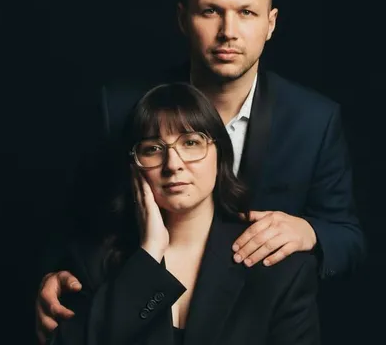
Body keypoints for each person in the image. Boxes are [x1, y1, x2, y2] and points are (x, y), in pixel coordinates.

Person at [36, 0, 365, 343]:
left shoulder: (313, 120)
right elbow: (76, 223)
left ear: (270, 23)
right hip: (139, 319)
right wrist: (54, 274)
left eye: (246, 12)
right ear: (183, 19)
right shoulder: (122, 109)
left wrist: (310, 231)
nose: (228, 31)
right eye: (211, 11)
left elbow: (348, 237)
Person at [47, 82, 320, 345]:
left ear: (220, 154)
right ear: (134, 167)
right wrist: (149, 253)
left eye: (191, 143)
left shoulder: (281, 269)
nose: (173, 164)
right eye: (153, 149)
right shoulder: (92, 263)